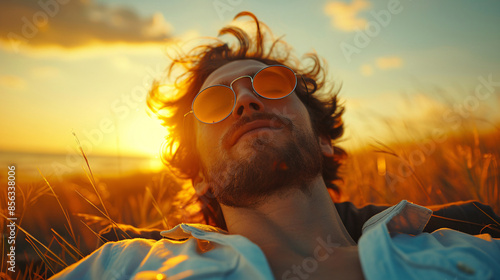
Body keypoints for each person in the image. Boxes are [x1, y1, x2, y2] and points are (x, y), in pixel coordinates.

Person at [51, 12, 500, 280]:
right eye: (214, 102)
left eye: (269, 83)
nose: (246, 100)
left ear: (323, 138)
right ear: (202, 176)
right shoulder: (123, 265)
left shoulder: (468, 251)